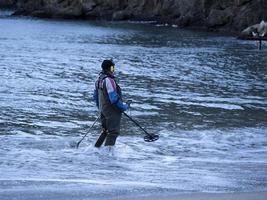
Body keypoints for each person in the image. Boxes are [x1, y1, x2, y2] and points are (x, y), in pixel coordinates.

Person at [93, 59, 130, 148]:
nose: (113, 70)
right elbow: (113, 99)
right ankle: (107, 156)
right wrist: (124, 107)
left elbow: (95, 97)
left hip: (103, 110)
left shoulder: (98, 79)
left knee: (105, 131)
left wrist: (100, 110)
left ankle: (96, 149)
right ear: (109, 68)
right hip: (111, 111)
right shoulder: (109, 80)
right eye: (113, 68)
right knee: (113, 132)